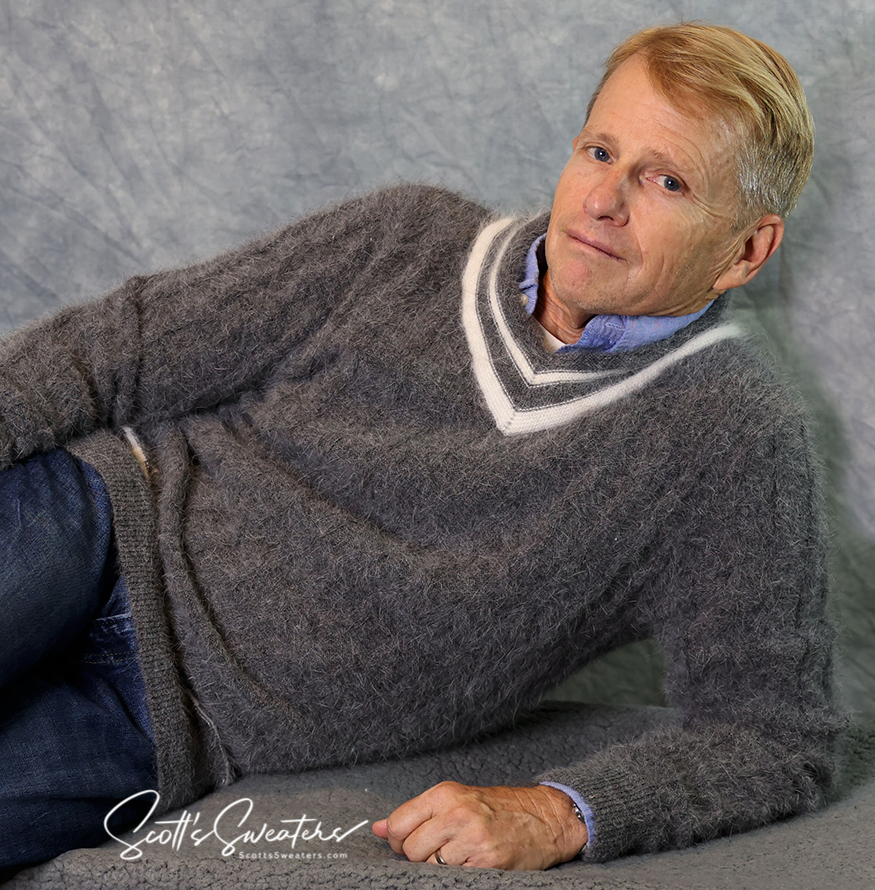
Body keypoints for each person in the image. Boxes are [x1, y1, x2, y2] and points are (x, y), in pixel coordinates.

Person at [0, 21, 842, 873]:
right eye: (598, 152)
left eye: (665, 180)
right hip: (99, 524)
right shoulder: (408, 240)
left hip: (168, 719)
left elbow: (772, 735)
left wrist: (560, 814)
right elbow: (124, 345)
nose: (603, 200)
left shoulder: (728, 437)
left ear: (746, 250)